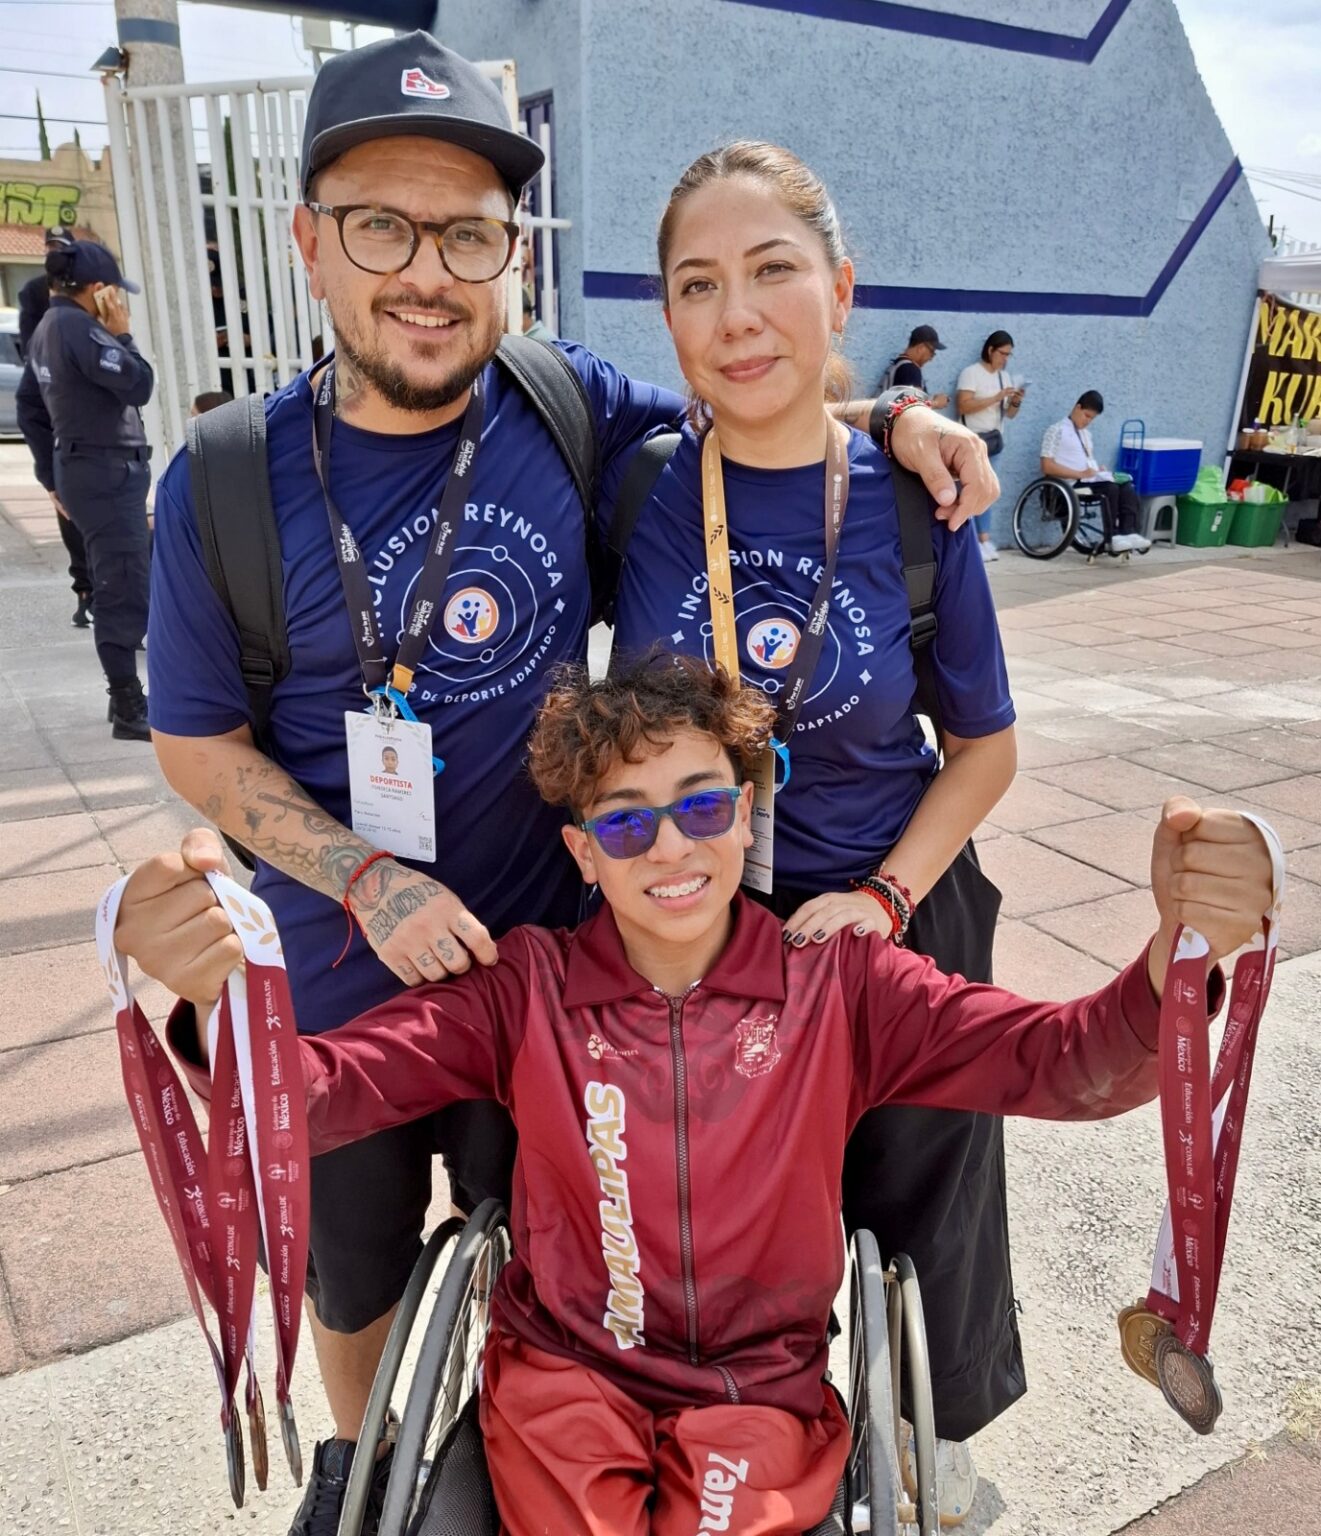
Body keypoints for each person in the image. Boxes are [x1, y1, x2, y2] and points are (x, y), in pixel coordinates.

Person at [142, 31, 996, 1536]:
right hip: (343, 974)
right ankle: (385, 1489)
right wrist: (363, 875)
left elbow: (760, 419)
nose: (426, 273)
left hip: (543, 972)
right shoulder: (219, 478)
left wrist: (896, 421)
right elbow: (196, 744)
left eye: (468, 234)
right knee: (353, 1273)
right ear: (309, 244)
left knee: (560, 1264)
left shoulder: (559, 408)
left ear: (509, 259)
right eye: (381, 227)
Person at [112, 657, 1275, 1536]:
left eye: (702, 804)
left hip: (758, 1395)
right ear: (582, 855)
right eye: (624, 820)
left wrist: (1184, 956)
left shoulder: (843, 983)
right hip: (562, 1374)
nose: (669, 845)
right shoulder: (525, 988)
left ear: (745, 813)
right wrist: (222, 1004)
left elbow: (1067, 1062)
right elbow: (316, 1097)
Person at [604, 140, 1017, 1523]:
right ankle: (735, 1442)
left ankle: (932, 1436)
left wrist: (891, 900)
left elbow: (986, 750)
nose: (737, 317)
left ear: (839, 292)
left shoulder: (916, 498)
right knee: (719, 1230)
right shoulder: (641, 491)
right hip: (697, 909)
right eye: (698, 284)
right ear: (666, 319)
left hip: (886, 900)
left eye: (774, 271)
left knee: (930, 1199)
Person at [16, 239, 153, 737]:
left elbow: (29, 405)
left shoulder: (47, 327)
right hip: (104, 474)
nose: (119, 301)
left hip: (87, 472)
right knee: (123, 585)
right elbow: (138, 385)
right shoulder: (82, 330)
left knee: (118, 578)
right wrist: (125, 336)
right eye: (115, 292)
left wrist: (51, 476)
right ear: (97, 291)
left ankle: (125, 699)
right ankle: (129, 705)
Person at [17, 226, 95, 630]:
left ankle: (113, 598)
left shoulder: (90, 293)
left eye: (63, 251)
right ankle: (85, 591)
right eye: (51, 250)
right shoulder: (34, 295)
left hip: (101, 438)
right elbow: (32, 368)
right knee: (69, 510)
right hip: (58, 423)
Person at [1040, 390, 1151, 555]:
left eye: (1092, 418)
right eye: (1086, 415)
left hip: (1087, 479)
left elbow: (1086, 463)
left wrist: (1097, 471)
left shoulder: (1086, 435)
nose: (1088, 421)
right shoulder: (1056, 430)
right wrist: (1081, 474)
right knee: (1110, 488)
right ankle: (1112, 536)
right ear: (1077, 407)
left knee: (1126, 484)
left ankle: (1128, 532)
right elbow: (1047, 466)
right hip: (1067, 484)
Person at [956, 331, 1025, 562]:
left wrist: (1015, 401)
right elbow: (963, 406)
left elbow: (1010, 415)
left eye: (1009, 355)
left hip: (994, 442)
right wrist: (996, 397)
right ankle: (976, 541)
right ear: (990, 350)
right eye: (1002, 353)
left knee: (988, 490)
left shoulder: (1004, 378)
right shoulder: (971, 373)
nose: (1005, 359)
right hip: (972, 440)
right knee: (971, 489)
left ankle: (984, 540)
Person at [878, 323, 949, 407]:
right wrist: (937, 403)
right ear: (920, 348)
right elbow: (916, 407)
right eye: (932, 352)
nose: (931, 358)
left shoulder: (899, 364)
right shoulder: (910, 369)